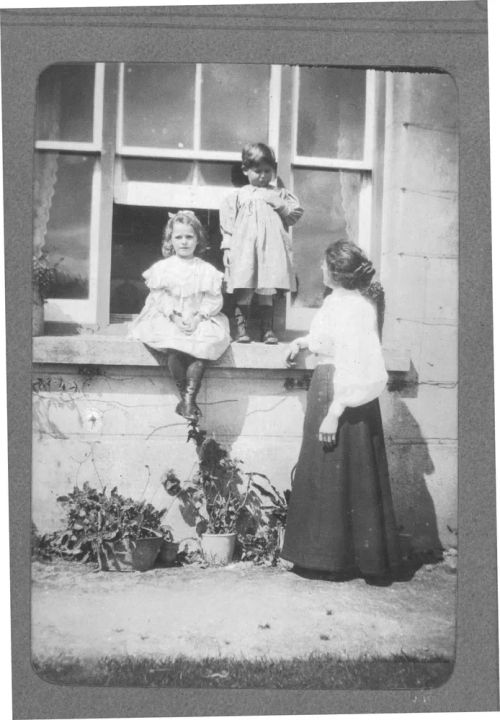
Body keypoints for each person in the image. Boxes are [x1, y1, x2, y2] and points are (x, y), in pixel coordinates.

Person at [281, 239, 402, 584]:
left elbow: (355, 360)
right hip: (328, 385)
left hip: (344, 395)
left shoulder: (358, 308)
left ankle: (343, 560)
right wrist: (303, 342)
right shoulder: (337, 302)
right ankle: (320, 557)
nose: (320, 270)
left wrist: (335, 411)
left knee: (347, 473)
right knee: (325, 472)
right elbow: (329, 339)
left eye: (324, 266)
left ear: (337, 271)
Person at [129, 211, 230, 423]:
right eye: (178, 237)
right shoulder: (164, 268)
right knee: (174, 346)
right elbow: (158, 297)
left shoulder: (206, 270)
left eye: (189, 237)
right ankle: (187, 400)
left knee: (202, 347)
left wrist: (198, 317)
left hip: (198, 317)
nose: (184, 242)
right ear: (170, 240)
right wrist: (173, 317)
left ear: (198, 239)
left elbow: (213, 299)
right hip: (167, 316)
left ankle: (187, 401)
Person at [219, 142, 303, 344]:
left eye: (268, 171)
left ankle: (267, 329)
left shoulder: (279, 194)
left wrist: (280, 204)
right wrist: (227, 247)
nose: (263, 176)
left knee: (267, 289)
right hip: (245, 249)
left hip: (270, 250)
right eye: (258, 171)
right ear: (246, 170)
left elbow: (293, 216)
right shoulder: (239, 195)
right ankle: (241, 329)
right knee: (245, 287)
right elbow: (228, 224)